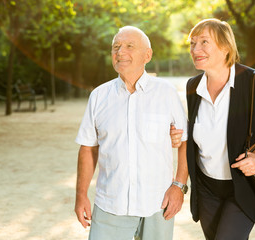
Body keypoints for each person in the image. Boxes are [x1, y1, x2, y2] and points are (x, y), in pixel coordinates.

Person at [172, 18, 255, 239]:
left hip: (243, 189)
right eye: (192, 43)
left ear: (225, 47)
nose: (195, 49)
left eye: (204, 42)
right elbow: (197, 135)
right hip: (207, 189)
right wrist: (178, 135)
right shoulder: (193, 86)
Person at [74, 26, 188, 240]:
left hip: (158, 203)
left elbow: (184, 142)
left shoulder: (167, 93)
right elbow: (88, 149)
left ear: (148, 55)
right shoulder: (99, 96)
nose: (120, 52)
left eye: (129, 46)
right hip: (111, 204)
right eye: (115, 47)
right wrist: (81, 196)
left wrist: (179, 186)